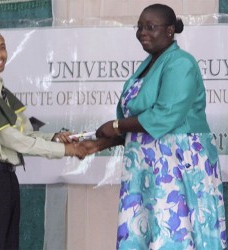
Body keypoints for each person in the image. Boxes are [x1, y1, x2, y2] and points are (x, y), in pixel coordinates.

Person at [82, 4, 227, 249]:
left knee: (174, 231)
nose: (142, 33)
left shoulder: (181, 63)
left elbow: (165, 115)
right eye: (139, 27)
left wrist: (117, 125)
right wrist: (102, 142)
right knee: (145, 232)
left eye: (150, 27)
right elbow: (137, 124)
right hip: (146, 165)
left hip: (177, 163)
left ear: (170, 31)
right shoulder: (148, 64)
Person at [0, 29, 87, 250]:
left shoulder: (0, 92)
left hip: (6, 181)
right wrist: (66, 151)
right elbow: (11, 140)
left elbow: (23, 133)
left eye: (2, 47)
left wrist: (55, 137)